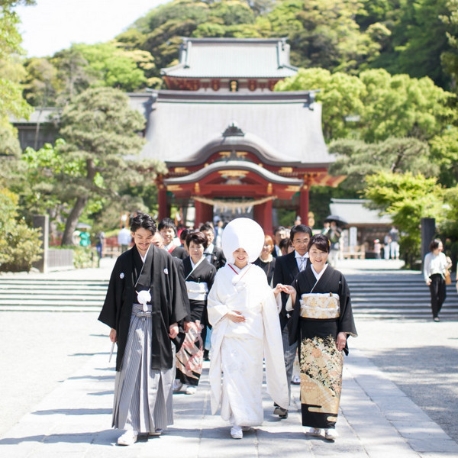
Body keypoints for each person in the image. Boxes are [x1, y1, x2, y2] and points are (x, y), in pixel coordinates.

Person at [98, 212, 189, 446]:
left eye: (148, 237)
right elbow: (115, 296)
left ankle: (155, 420)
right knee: (132, 371)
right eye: (139, 237)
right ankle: (131, 426)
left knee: (157, 373)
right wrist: (114, 326)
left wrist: (174, 322)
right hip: (132, 323)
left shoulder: (165, 260)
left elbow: (175, 292)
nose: (144, 241)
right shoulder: (124, 261)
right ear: (132, 235)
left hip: (158, 324)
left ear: (154, 235)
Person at [207, 218, 289, 440]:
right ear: (231, 251)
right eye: (237, 250)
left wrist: (274, 294)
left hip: (252, 335)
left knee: (251, 377)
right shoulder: (222, 274)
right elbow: (212, 302)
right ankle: (236, 420)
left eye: (245, 251)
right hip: (231, 334)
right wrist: (226, 312)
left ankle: (250, 417)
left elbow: (265, 301)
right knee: (233, 377)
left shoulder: (257, 274)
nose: (241, 254)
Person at [284, 233, 357, 441]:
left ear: (327, 253)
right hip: (308, 335)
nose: (317, 256)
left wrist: (343, 332)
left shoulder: (337, 277)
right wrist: (292, 295)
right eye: (314, 252)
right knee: (310, 379)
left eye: (322, 252)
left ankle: (330, 423)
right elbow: (295, 306)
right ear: (308, 253)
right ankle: (313, 424)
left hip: (330, 334)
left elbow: (346, 306)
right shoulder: (301, 277)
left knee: (330, 379)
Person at [272, 223, 312, 419]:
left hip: (311, 321)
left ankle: (310, 403)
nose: (302, 245)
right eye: (298, 241)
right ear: (291, 241)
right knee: (285, 361)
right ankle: (282, 402)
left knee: (309, 363)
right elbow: (277, 289)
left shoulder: (317, 260)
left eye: (306, 240)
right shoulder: (282, 261)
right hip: (288, 320)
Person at [175, 231, 216, 395]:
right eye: (192, 246)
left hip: (199, 308)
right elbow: (177, 289)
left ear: (203, 247)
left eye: (198, 246)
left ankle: (192, 380)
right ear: (187, 247)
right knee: (180, 343)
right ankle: (179, 379)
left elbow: (212, 294)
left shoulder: (210, 268)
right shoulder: (181, 265)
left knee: (195, 345)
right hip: (182, 306)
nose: (196, 250)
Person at [424, 239, 451, 322]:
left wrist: (449, 264)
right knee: (434, 296)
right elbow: (425, 269)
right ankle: (435, 315)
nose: (441, 248)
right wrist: (426, 278)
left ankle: (435, 310)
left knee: (443, 296)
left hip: (441, 277)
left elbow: (445, 267)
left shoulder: (442, 255)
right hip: (432, 277)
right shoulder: (428, 256)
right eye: (440, 246)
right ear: (434, 246)